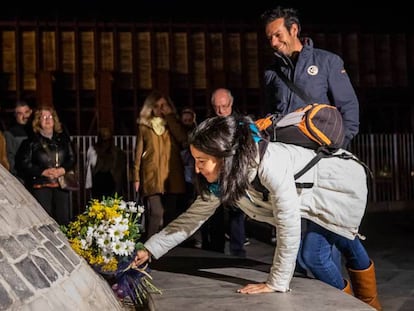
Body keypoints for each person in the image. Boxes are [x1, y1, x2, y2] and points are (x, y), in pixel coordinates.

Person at [133, 115, 381, 310]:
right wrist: (150, 249)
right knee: (343, 241)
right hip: (310, 200)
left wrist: (276, 283)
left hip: (336, 189)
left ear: (223, 157)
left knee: (319, 253)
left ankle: (359, 306)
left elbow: (287, 221)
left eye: (201, 161)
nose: (197, 170)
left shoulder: (270, 164)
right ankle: (364, 304)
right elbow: (192, 219)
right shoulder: (227, 178)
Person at [261, 6, 359, 149]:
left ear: (293, 30)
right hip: (284, 153)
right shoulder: (271, 73)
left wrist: (339, 144)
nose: (273, 43)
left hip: (320, 150)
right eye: (270, 38)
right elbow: (268, 114)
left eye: (278, 35)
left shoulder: (328, 62)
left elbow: (348, 106)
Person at [133, 90, 188, 240]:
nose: (160, 109)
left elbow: (183, 138)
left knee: (170, 213)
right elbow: (138, 152)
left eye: (163, 105)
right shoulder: (144, 127)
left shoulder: (173, 124)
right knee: (157, 212)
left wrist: (170, 117)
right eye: (156, 105)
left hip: (172, 173)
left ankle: (166, 247)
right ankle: (149, 245)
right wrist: (136, 177)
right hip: (152, 174)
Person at [201, 87, 248, 257]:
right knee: (214, 214)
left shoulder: (241, 123)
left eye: (224, 106)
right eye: (216, 107)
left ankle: (238, 252)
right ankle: (215, 250)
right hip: (214, 176)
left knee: (237, 212)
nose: (220, 111)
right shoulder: (207, 124)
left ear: (231, 103)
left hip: (235, 175)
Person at [16, 106, 76, 226]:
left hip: (61, 184)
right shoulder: (30, 143)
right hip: (41, 185)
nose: (47, 120)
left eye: (50, 117)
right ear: (38, 121)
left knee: (63, 220)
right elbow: (23, 164)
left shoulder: (64, 140)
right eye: (43, 117)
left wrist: (62, 170)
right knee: (44, 221)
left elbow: (72, 158)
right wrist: (42, 171)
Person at [85, 127, 127, 200]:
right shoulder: (119, 152)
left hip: (100, 185)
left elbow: (89, 168)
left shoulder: (93, 150)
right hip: (110, 185)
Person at [4, 100, 33, 182]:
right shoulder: (11, 134)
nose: (24, 116)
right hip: (22, 177)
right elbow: (10, 156)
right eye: (20, 113)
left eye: (26, 112)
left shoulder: (37, 130)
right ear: (15, 115)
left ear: (31, 112)